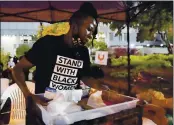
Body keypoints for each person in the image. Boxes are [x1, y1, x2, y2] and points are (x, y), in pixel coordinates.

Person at [12, 2, 107, 107]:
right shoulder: (47, 43)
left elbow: (85, 77)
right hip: (46, 110)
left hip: (70, 110)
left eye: (93, 33)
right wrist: (28, 95)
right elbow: (18, 69)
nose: (91, 36)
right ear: (74, 26)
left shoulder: (83, 52)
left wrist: (99, 86)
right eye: (89, 29)